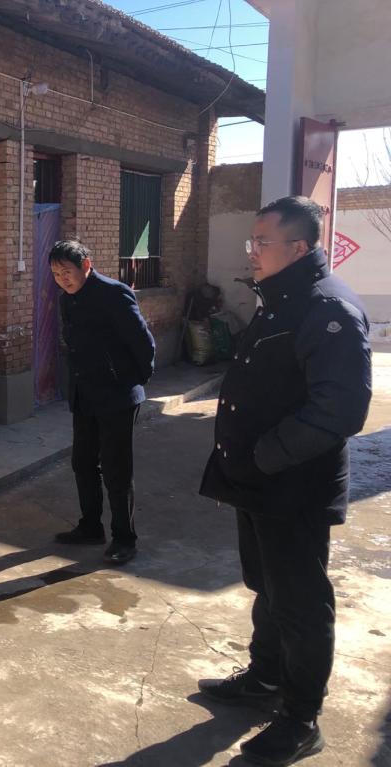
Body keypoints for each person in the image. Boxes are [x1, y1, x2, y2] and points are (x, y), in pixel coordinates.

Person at [197, 196, 371, 766]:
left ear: (297, 248)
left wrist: (266, 456)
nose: (251, 252)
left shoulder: (326, 309)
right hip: (257, 482)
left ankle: (301, 718)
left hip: (292, 487)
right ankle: (265, 678)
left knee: (300, 602)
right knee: (268, 587)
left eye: (261, 242)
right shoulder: (281, 300)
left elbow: (341, 408)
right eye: (251, 241)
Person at [49, 239, 155, 564]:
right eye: (56, 274)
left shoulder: (113, 293)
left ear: (86, 265)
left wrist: (132, 381)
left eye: (67, 272)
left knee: (116, 470)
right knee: (83, 463)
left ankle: (125, 538)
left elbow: (143, 343)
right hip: (85, 395)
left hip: (117, 396)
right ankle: (90, 527)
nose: (62, 279)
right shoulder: (67, 300)